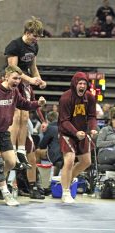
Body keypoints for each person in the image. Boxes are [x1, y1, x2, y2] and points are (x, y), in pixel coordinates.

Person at [0, 65, 46, 206]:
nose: (17, 81)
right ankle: (6, 194)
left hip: (3, 131)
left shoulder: (14, 92)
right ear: (6, 77)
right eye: (15, 78)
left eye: (19, 79)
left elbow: (24, 104)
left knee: (11, 162)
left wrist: (37, 103)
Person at [4, 17, 47, 170]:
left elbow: (33, 66)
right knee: (16, 116)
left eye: (38, 36)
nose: (36, 39)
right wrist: (29, 79)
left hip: (26, 83)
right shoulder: (15, 45)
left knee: (25, 116)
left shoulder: (34, 46)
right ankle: (12, 150)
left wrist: (39, 80)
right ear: (27, 33)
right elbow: (13, 70)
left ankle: (21, 149)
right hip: (13, 81)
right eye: (35, 35)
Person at [58, 71, 97, 204]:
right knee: (69, 160)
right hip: (67, 133)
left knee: (86, 162)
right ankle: (65, 192)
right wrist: (75, 133)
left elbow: (92, 116)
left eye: (84, 83)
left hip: (82, 133)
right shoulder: (65, 98)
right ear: (75, 84)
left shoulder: (90, 97)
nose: (82, 86)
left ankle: (67, 178)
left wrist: (92, 128)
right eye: (80, 83)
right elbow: (64, 120)